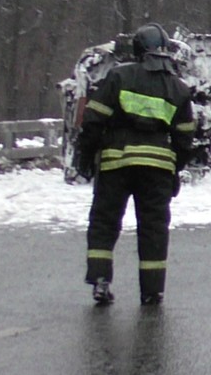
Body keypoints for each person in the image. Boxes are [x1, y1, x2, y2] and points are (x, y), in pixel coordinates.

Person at [75, 24, 198, 306]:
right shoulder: (178, 88)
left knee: (105, 223)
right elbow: (184, 137)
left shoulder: (118, 76)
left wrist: (85, 155)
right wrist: (175, 170)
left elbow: (94, 120)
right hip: (156, 171)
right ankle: (152, 291)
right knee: (154, 229)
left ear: (138, 50)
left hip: (115, 164)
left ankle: (101, 280)